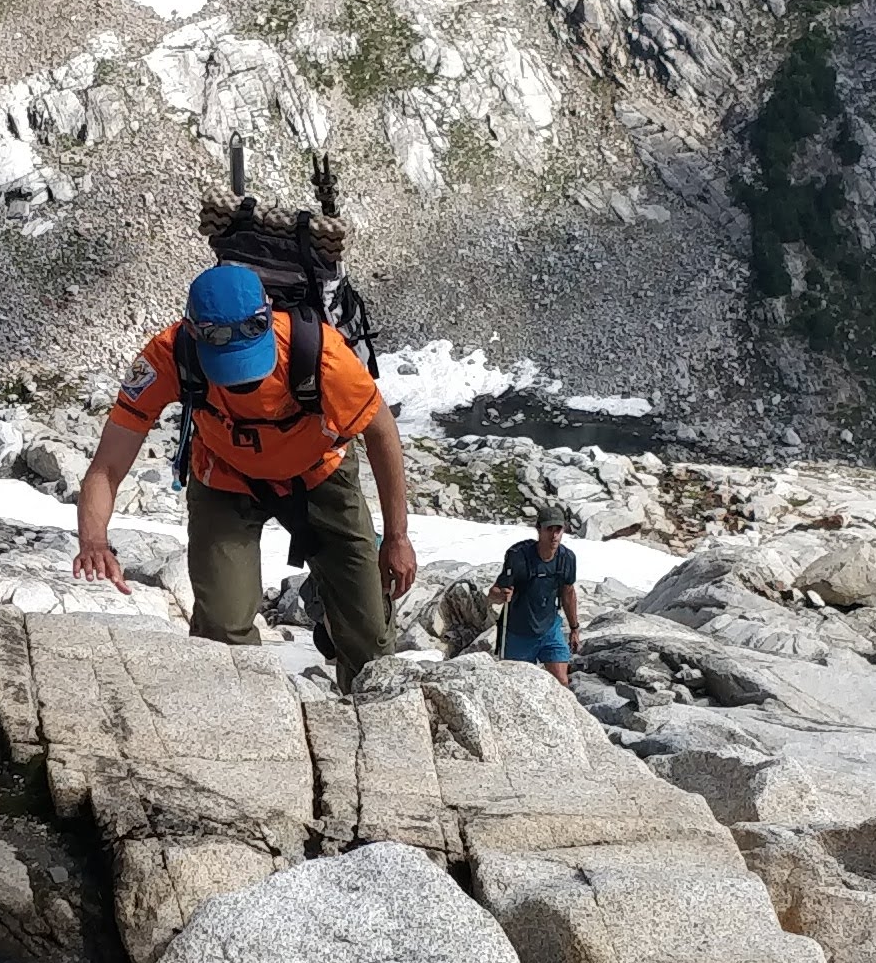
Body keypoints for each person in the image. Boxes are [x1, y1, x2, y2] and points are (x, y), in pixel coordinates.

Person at [73, 262, 418, 672]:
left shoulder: (320, 353)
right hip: (225, 477)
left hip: (319, 473)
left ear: (269, 317)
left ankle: (331, 604)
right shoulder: (168, 356)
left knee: (368, 643)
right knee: (222, 632)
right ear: (193, 333)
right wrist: (94, 542)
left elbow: (382, 433)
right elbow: (107, 466)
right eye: (228, 367)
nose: (242, 380)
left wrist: (397, 537)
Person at [493, 506, 581, 682]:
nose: (554, 535)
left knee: (561, 680)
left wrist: (574, 628)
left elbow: (568, 592)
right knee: (519, 685)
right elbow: (494, 592)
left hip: (550, 629)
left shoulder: (567, 558)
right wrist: (501, 595)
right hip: (518, 633)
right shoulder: (518, 556)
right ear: (539, 529)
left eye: (558, 529)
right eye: (549, 529)